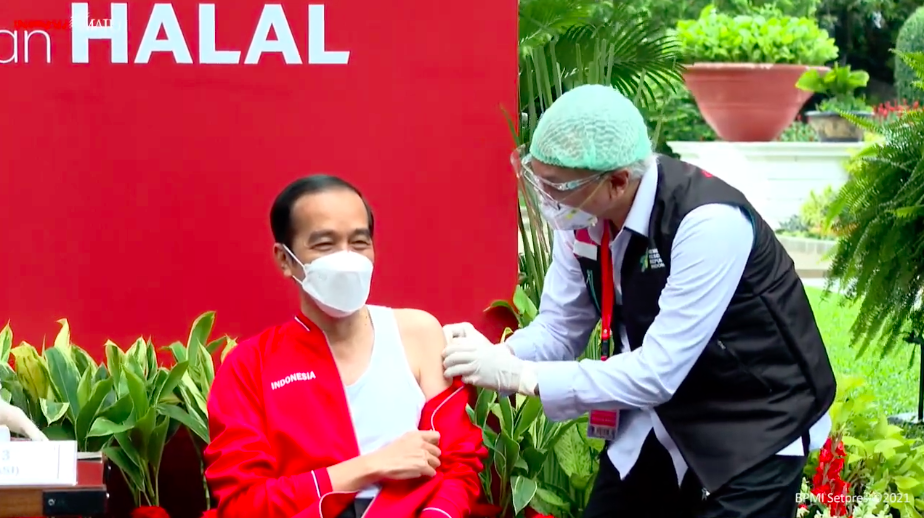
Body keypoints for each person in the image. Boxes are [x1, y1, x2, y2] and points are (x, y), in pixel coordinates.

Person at [441, 84, 836, 518]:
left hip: (754, 422)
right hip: (659, 420)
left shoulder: (707, 222)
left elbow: (657, 373)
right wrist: (492, 355)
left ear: (617, 181)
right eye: (539, 179)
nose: (546, 200)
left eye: (556, 186)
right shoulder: (581, 219)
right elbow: (559, 329)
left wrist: (524, 376)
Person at [203, 175, 486, 518]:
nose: (347, 258)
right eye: (325, 245)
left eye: (359, 242)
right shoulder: (249, 365)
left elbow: (460, 466)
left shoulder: (417, 333)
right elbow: (243, 504)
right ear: (285, 258)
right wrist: (369, 467)